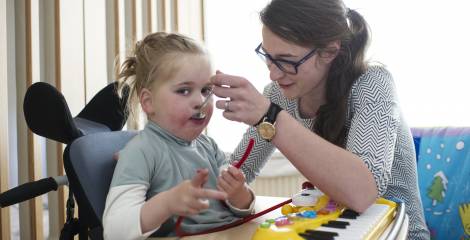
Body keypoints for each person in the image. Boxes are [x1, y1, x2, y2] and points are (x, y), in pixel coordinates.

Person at [210, 0, 430, 239]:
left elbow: (362, 193)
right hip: (334, 229)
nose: (273, 73)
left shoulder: (372, 84)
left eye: (286, 60)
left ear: (329, 52)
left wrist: (271, 118)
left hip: (396, 233)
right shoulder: (278, 94)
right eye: (268, 57)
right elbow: (239, 171)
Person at [102, 32, 255, 240]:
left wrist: (240, 194)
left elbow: (238, 208)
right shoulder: (140, 152)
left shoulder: (209, 145)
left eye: (205, 90)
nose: (199, 101)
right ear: (148, 102)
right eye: (184, 91)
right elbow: (114, 231)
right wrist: (167, 203)